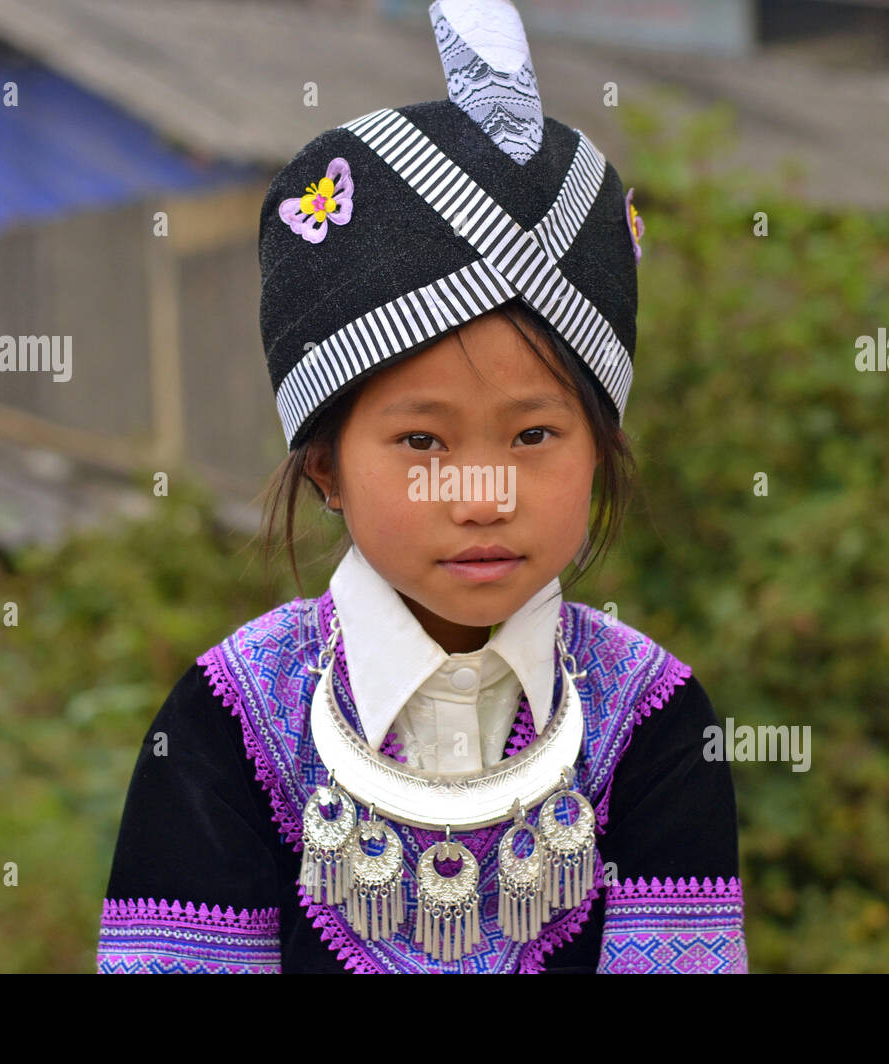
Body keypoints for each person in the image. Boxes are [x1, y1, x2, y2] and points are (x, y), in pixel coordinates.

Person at [96, 0, 746, 974]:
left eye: (533, 432)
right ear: (325, 464)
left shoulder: (651, 721)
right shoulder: (229, 722)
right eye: (420, 440)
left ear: (600, 447)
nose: (483, 492)